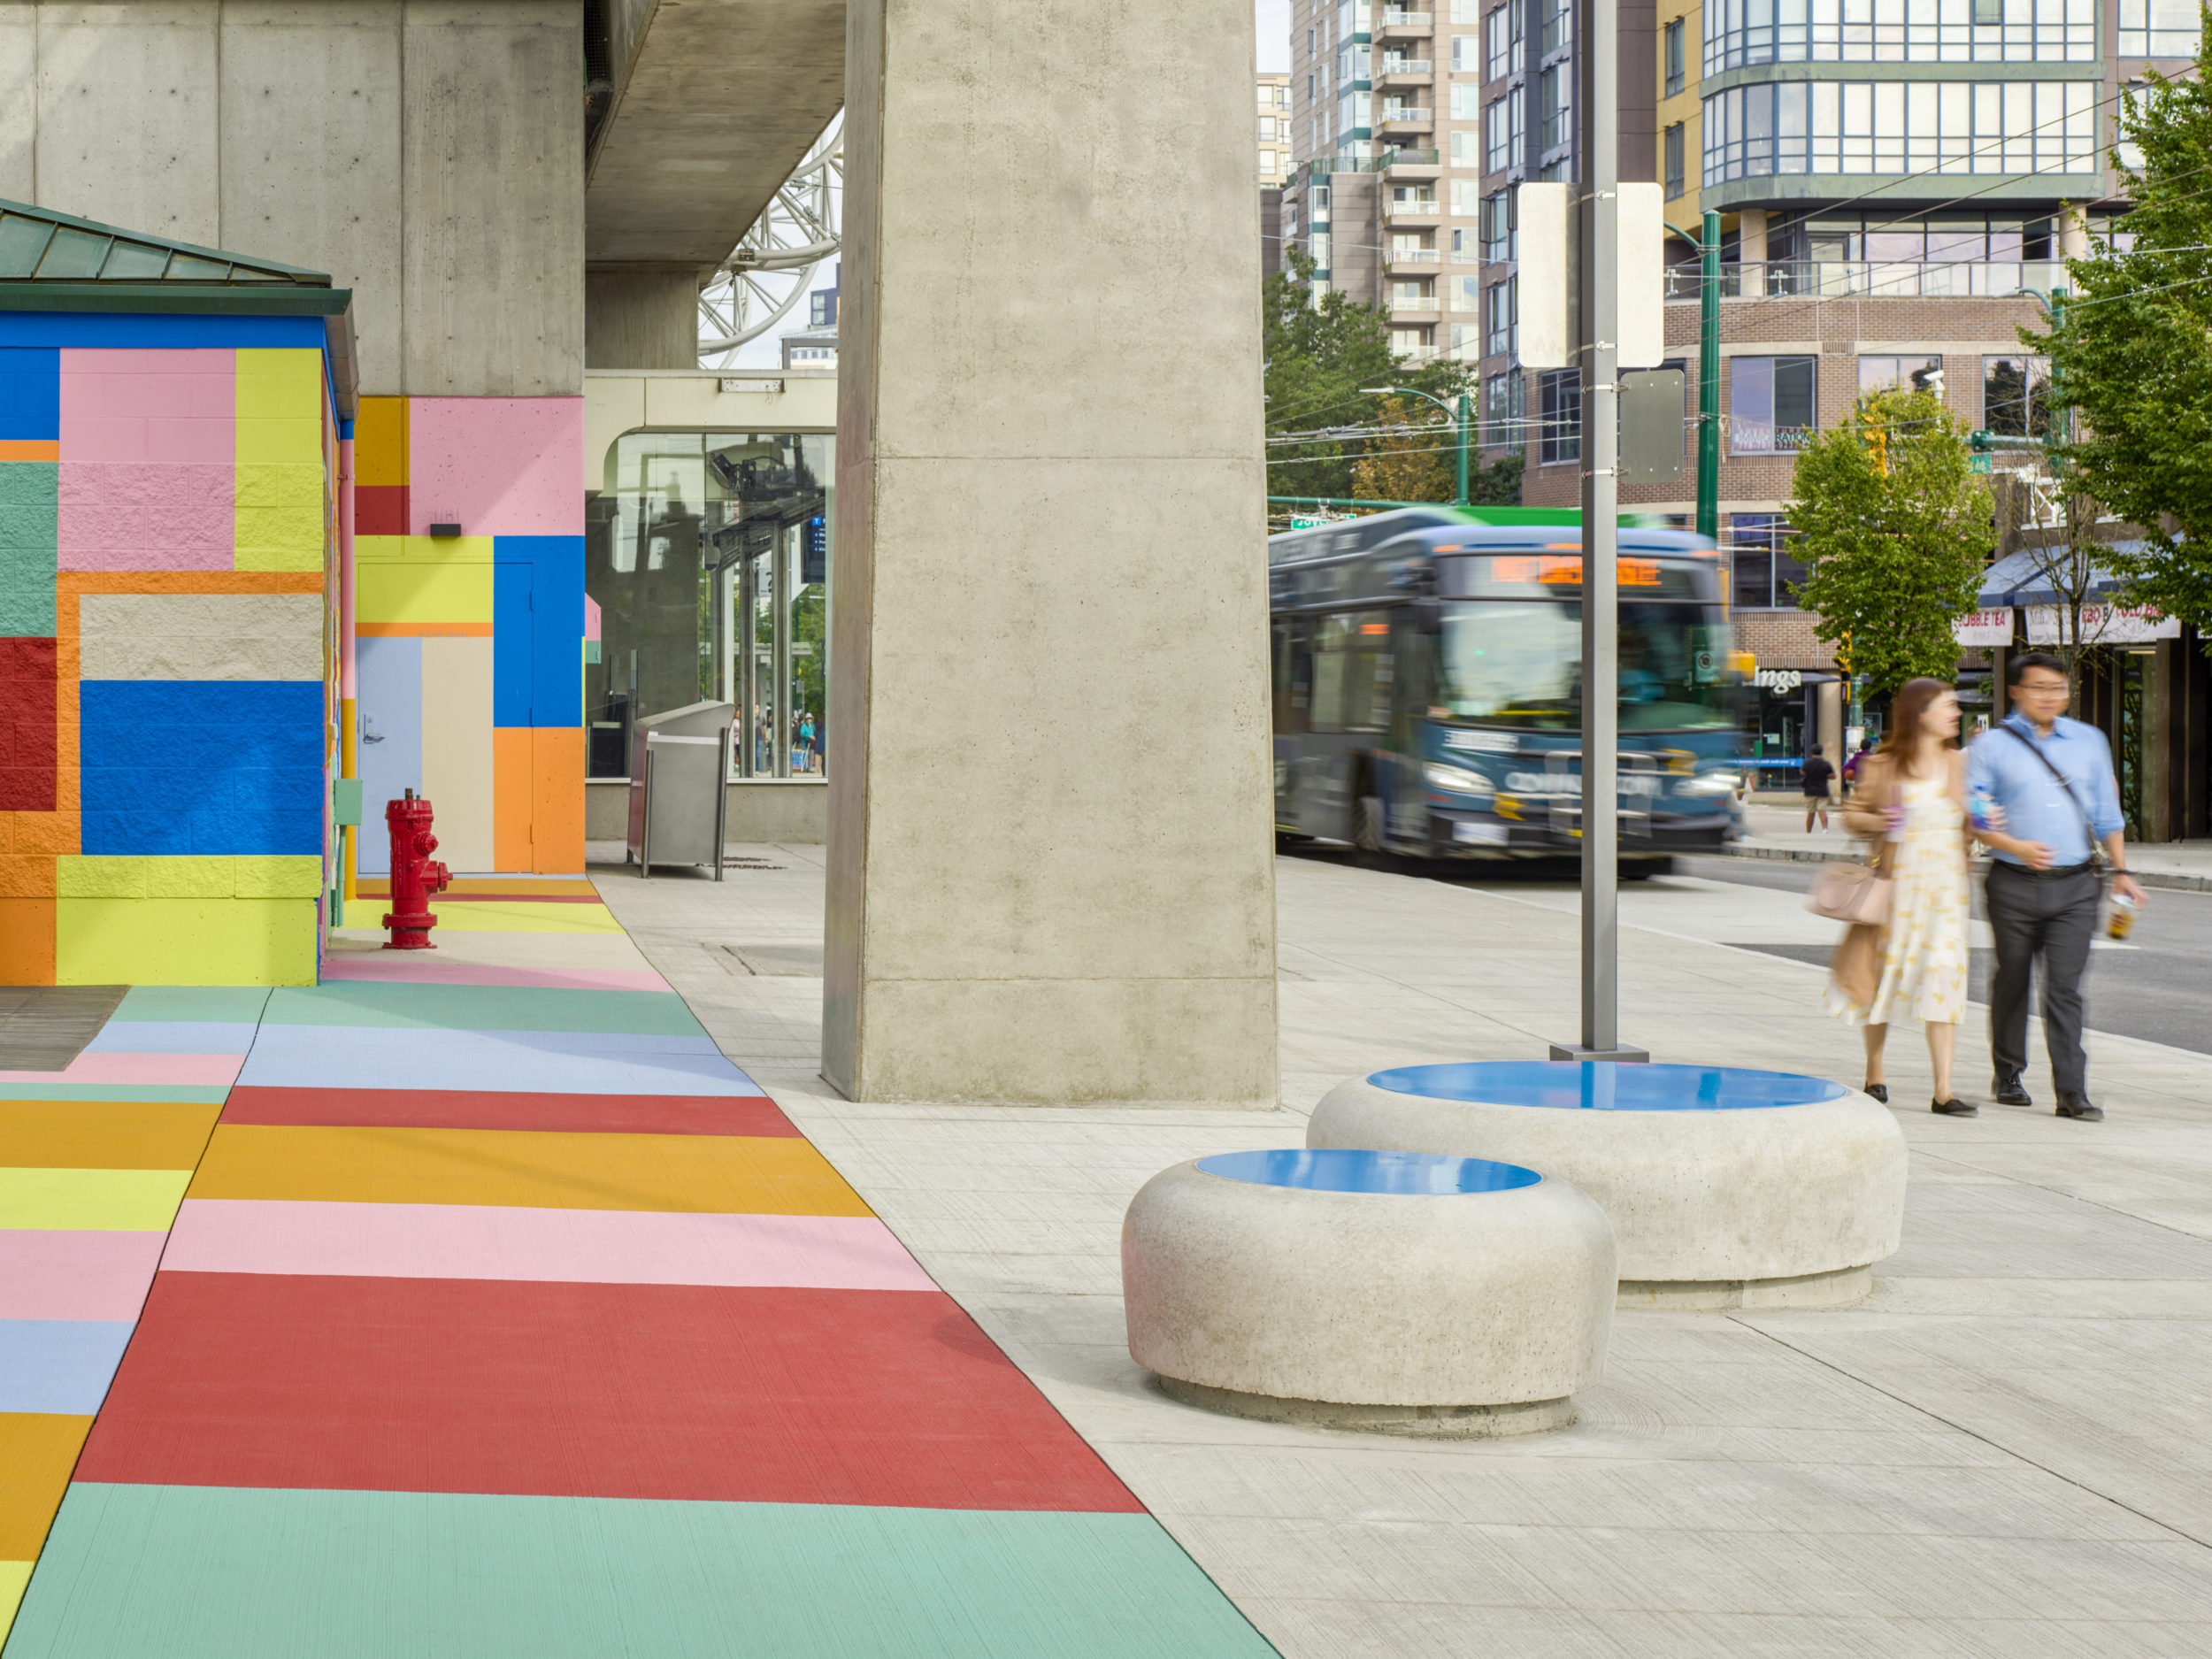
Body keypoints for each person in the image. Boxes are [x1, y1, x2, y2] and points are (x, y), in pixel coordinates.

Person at [1966, 651, 2144, 1123]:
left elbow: (2107, 815)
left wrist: (2123, 872)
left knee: (2065, 988)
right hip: (2012, 882)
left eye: (2059, 688)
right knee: (2013, 978)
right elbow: (1978, 815)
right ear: (2017, 691)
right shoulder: (1991, 747)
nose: (2050, 697)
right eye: (2039, 687)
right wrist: (2012, 845)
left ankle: (2072, 1092)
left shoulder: (2090, 742)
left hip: (2077, 884)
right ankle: (2008, 1073)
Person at [1828, 679, 1979, 1115]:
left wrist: (1984, 821)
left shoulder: (1959, 764)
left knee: (1944, 979)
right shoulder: (1884, 764)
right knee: (1883, 980)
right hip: (1897, 893)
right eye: (1947, 706)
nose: (1955, 712)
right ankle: (1875, 1073)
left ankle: (1944, 1089)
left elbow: (1974, 819)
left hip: (1947, 895)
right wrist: (1881, 822)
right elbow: (1854, 816)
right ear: (1920, 713)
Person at [1801, 743, 1836, 833]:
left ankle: (1808, 831)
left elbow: (1802, 773)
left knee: (1811, 812)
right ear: (1821, 752)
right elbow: (1833, 776)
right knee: (1822, 810)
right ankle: (1824, 829)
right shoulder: (1825, 764)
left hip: (1810, 790)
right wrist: (1825, 776)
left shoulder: (1807, 763)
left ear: (1812, 752)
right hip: (1822, 789)